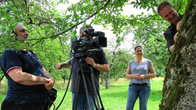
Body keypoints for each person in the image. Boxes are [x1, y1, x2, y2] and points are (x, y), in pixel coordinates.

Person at [0, 22, 55, 110]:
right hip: (21, 103)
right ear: (13, 35)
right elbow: (18, 76)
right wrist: (45, 81)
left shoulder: (30, 53)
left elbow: (43, 70)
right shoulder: (10, 53)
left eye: (26, 31)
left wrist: (52, 79)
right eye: (22, 31)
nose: (27, 33)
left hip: (40, 103)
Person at [56, 25, 110, 110]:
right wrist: (62, 65)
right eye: (88, 34)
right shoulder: (75, 48)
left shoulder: (97, 49)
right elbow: (71, 63)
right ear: (81, 34)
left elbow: (107, 68)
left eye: (91, 35)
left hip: (91, 90)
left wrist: (95, 64)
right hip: (76, 89)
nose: (90, 37)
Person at [125, 46, 156, 110]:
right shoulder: (131, 63)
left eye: (140, 50)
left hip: (145, 87)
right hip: (133, 87)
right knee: (129, 107)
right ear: (135, 53)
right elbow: (127, 75)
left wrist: (144, 76)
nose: (139, 52)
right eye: (137, 51)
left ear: (143, 52)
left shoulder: (148, 62)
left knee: (143, 108)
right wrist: (133, 76)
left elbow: (154, 74)